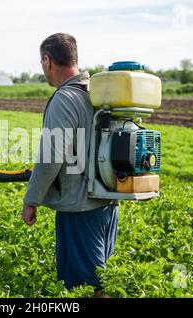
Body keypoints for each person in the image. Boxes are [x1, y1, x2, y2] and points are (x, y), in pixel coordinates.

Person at [21, 33, 119, 298]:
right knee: (98, 280)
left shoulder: (66, 98)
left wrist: (32, 199)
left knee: (86, 289)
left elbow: (52, 156)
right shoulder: (97, 94)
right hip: (107, 203)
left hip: (79, 208)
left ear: (47, 60)